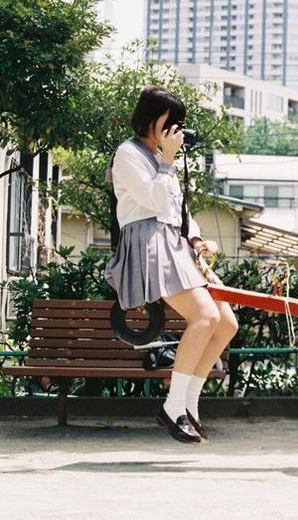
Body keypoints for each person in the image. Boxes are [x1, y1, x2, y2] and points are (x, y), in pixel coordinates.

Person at [104, 86, 238, 444]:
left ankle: (188, 405)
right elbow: (151, 200)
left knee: (226, 323)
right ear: (152, 118)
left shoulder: (165, 159)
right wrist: (167, 159)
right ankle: (173, 407)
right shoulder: (128, 153)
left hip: (176, 242)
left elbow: (178, 208)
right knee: (205, 318)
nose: (176, 128)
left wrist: (195, 237)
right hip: (149, 242)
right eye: (171, 119)